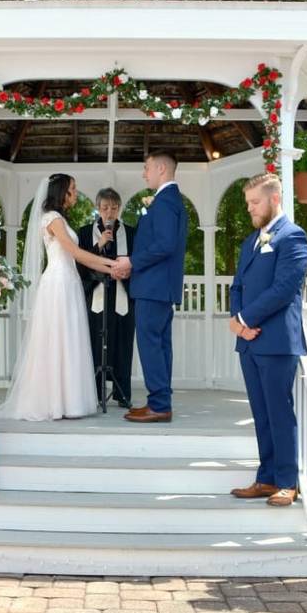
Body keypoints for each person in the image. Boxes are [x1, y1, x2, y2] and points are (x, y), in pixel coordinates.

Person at [0, 174, 117, 421]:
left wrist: (107, 264)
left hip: (68, 281)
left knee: (68, 338)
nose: (75, 192)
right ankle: (56, 401)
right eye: (72, 188)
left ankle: (69, 400)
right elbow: (75, 253)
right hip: (59, 282)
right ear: (62, 192)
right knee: (59, 338)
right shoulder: (53, 219)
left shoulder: (59, 219)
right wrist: (111, 265)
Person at [227, 174, 307, 507]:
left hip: (276, 341)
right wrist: (237, 322)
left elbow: (284, 289)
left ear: (274, 199)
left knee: (279, 412)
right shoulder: (251, 241)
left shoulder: (293, 237)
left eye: (255, 202)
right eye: (248, 203)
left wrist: (246, 320)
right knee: (260, 413)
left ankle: (287, 482)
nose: (250, 208)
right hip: (248, 342)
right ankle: (265, 478)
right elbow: (238, 286)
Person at [114, 151, 188, 423]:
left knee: (151, 345)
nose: (144, 173)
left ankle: (158, 404)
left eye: (146, 168)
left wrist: (131, 261)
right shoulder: (169, 200)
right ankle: (160, 401)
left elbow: (165, 245)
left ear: (160, 169)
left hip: (153, 287)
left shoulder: (166, 202)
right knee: (160, 345)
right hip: (158, 287)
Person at [77, 188, 136, 408]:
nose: (109, 213)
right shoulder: (85, 233)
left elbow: (137, 261)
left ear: (119, 208)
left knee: (123, 343)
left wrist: (127, 272)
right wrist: (99, 245)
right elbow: (80, 265)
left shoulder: (130, 233)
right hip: (97, 297)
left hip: (122, 295)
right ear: (97, 208)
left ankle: (122, 393)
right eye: (105, 208)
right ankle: (94, 393)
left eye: (113, 208)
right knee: (95, 342)